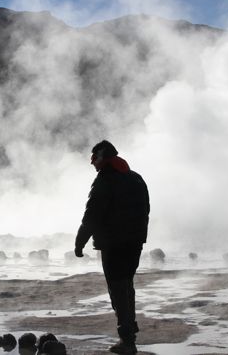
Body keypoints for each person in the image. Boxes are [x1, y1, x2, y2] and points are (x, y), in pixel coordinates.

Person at [75, 140, 150, 354]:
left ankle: (127, 341)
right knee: (126, 286)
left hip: (113, 244)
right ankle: (130, 333)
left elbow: (92, 215)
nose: (92, 163)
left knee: (117, 289)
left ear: (103, 158)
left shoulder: (104, 181)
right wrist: (139, 238)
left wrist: (79, 243)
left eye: (94, 158)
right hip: (134, 243)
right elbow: (146, 210)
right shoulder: (135, 178)